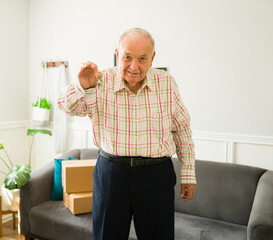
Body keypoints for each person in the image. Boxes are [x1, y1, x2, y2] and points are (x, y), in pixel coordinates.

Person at [58, 28, 196, 240]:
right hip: (112, 174)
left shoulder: (167, 83)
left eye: (142, 58)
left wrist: (188, 173)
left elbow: (182, 130)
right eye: (127, 57)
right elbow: (66, 107)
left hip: (156, 175)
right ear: (117, 54)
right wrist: (83, 85)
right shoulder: (99, 82)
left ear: (153, 58)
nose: (134, 66)